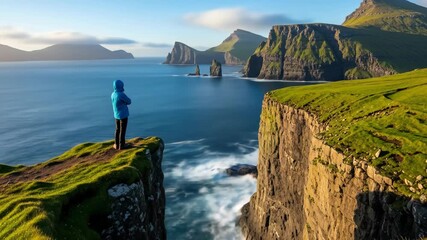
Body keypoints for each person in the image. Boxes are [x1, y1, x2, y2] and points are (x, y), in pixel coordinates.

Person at [111, 80, 131, 150]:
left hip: (116, 115)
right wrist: (125, 103)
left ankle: (116, 144)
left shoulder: (113, 94)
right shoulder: (121, 94)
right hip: (123, 115)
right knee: (122, 130)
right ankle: (122, 145)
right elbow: (129, 101)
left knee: (117, 129)